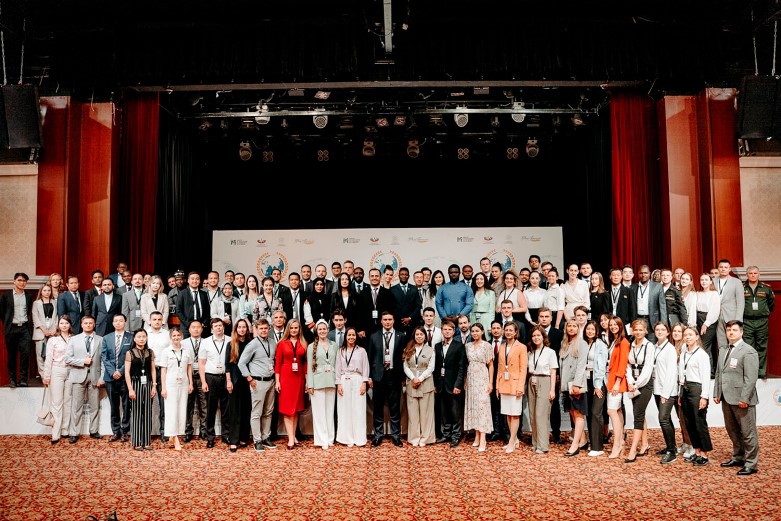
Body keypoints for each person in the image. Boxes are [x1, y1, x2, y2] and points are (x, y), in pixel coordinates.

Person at [714, 320, 760, 476]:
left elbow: (751, 378)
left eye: (734, 330)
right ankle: (739, 457)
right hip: (726, 398)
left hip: (742, 399)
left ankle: (751, 463)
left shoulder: (748, 351)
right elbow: (719, 373)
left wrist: (744, 398)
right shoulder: (723, 350)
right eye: (728, 330)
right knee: (732, 430)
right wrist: (717, 392)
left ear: (741, 332)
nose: (731, 332)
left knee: (748, 432)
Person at [238, 319, 278, 451]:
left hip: (271, 380)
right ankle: (257, 440)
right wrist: (249, 379)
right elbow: (241, 363)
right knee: (257, 412)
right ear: (256, 329)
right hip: (257, 382)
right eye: (261, 328)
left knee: (268, 411)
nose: (264, 331)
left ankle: (266, 437)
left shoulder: (272, 343)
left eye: (265, 328)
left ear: (269, 329)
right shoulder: (252, 344)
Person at [367, 311, 405, 447]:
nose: (387, 322)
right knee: (378, 408)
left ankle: (396, 436)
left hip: (394, 376)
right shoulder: (374, 336)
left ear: (393, 321)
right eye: (385, 320)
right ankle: (378, 435)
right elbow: (370, 358)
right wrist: (369, 377)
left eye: (390, 319)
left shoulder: (401, 336)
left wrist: (403, 377)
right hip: (378, 376)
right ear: (381, 321)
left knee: (395, 408)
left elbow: (404, 358)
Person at [65, 315, 103, 442]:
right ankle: (74, 433)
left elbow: (103, 360)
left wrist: (102, 377)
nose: (88, 325)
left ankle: (94, 430)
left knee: (95, 406)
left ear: (94, 325)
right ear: (81, 325)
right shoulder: (74, 339)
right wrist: (83, 361)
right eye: (86, 323)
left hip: (95, 377)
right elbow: (67, 359)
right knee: (76, 406)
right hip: (78, 375)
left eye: (90, 323)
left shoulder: (100, 339)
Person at [678, 326, 713, 466]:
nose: (687, 337)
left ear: (697, 337)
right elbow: (681, 375)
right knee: (689, 422)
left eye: (690, 335)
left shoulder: (702, 355)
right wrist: (680, 393)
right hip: (685, 388)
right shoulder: (684, 353)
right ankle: (697, 452)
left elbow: (705, 377)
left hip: (697, 389)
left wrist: (704, 396)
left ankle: (704, 455)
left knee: (699, 422)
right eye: (685, 335)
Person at [624, 319, 655, 462]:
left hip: (645, 384)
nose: (638, 332)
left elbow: (648, 368)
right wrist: (630, 382)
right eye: (635, 329)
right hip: (633, 383)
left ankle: (633, 450)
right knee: (640, 414)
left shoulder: (649, 346)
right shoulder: (631, 344)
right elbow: (628, 365)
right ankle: (645, 444)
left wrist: (636, 384)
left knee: (638, 415)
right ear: (632, 331)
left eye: (640, 330)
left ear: (645, 331)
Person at [275, 318, 308, 449]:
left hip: (299, 378)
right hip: (285, 378)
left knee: (296, 409)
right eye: (292, 328)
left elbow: (305, 364)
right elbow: (278, 364)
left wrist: (307, 381)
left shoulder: (303, 343)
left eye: (296, 328)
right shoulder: (282, 343)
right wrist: (277, 381)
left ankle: (293, 435)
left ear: (299, 329)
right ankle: (290, 438)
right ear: (288, 329)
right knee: (287, 409)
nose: (294, 330)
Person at [434, 318, 467, 448]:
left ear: (454, 331)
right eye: (445, 329)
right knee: (444, 412)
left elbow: (461, 368)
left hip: (454, 385)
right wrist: (436, 384)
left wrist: (458, 385)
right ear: (441, 331)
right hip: (441, 385)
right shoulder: (437, 346)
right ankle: (446, 434)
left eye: (449, 329)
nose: (447, 332)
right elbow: (437, 367)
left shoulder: (459, 346)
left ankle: (456, 435)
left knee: (455, 412)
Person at [198, 318, 232, 449]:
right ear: (212, 329)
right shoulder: (205, 342)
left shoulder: (230, 340)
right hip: (210, 377)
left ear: (223, 327)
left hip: (225, 377)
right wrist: (203, 382)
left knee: (226, 408)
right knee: (210, 409)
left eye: (220, 325)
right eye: (216, 326)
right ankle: (210, 437)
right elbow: (202, 363)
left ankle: (226, 435)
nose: (218, 328)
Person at [335, 326, 370, 447]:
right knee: (344, 410)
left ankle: (359, 438)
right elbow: (337, 368)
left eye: (353, 335)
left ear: (356, 337)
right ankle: (346, 438)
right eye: (349, 335)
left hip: (357, 380)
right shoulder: (340, 351)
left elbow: (365, 367)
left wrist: (364, 383)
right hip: (344, 380)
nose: (351, 337)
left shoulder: (362, 351)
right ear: (345, 337)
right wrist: (338, 384)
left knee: (358, 410)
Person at [495, 321, 527, 453]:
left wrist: (520, 387)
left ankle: (512, 441)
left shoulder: (521, 347)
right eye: (506, 330)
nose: (508, 332)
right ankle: (515, 439)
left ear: (515, 332)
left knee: (515, 414)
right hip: (504, 383)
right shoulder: (502, 346)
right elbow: (500, 368)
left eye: (511, 330)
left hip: (515, 384)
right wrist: (497, 386)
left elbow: (523, 369)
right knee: (508, 413)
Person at [559, 318, 589, 457]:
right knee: (572, 412)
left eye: (574, 326)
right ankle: (582, 440)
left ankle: (575, 444)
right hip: (566, 384)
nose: (571, 328)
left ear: (578, 328)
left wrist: (577, 384)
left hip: (576, 384)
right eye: (569, 326)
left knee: (578, 413)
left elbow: (581, 365)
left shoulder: (582, 344)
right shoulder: (564, 343)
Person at [402, 325, 437, 447]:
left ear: (425, 336)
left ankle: (425, 438)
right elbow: (405, 366)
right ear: (414, 336)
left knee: (426, 413)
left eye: (421, 334)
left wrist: (420, 379)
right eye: (417, 334)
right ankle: (414, 438)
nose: (419, 336)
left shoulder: (430, 350)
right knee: (413, 413)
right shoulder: (408, 349)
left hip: (426, 383)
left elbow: (431, 368)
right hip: (412, 383)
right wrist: (413, 378)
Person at [101, 313, 133, 442]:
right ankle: (115, 431)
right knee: (114, 406)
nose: (118, 323)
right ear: (113, 323)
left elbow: (131, 356)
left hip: (125, 377)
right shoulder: (106, 338)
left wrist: (120, 371)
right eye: (116, 321)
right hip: (110, 377)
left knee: (126, 405)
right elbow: (104, 357)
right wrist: (112, 371)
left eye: (121, 320)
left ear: (125, 322)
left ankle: (125, 431)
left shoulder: (130, 337)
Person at [159, 326, 193, 451]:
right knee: (171, 411)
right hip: (171, 384)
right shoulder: (166, 352)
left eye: (178, 335)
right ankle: (175, 437)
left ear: (181, 336)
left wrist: (191, 383)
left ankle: (174, 436)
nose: (176, 338)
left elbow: (189, 368)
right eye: (174, 335)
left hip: (183, 383)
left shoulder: (186, 350)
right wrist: (163, 388)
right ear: (170, 337)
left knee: (181, 410)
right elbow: (163, 371)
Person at [307, 319, 338, 450]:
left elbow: (337, 363)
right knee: (319, 412)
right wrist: (310, 385)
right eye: (320, 329)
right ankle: (321, 439)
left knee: (329, 411)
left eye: (324, 329)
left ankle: (330, 438)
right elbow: (309, 367)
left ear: (328, 330)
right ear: (316, 331)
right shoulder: (311, 346)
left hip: (331, 380)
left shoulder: (334, 345)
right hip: (317, 382)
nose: (322, 331)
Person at [526, 325, 557, 455]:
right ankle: (535, 443)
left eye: (538, 335)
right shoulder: (530, 353)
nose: (536, 338)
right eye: (533, 336)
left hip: (545, 381)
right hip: (531, 380)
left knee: (541, 414)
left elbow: (553, 372)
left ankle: (543, 446)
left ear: (543, 337)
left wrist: (552, 390)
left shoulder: (550, 352)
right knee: (532, 414)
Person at [463, 323, 494, 452]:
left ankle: (483, 439)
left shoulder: (487, 346)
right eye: (473, 331)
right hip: (471, 379)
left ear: (482, 332)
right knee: (474, 407)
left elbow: (491, 365)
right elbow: (466, 364)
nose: (475, 333)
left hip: (482, 378)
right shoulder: (468, 346)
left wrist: (490, 383)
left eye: (477, 331)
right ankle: (476, 436)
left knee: (482, 408)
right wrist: (465, 380)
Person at [43, 316, 74, 444]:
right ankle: (55, 433)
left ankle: (65, 430)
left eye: (66, 323)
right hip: (57, 371)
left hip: (71, 371)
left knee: (68, 401)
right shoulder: (53, 340)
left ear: (70, 325)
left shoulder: (74, 338)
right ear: (58, 325)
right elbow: (48, 358)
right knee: (57, 403)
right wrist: (46, 375)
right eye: (61, 323)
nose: (64, 325)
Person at [651, 322, 679, 464]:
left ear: (668, 333)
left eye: (663, 329)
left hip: (667, 391)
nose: (660, 331)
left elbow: (671, 373)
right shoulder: (655, 347)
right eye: (657, 329)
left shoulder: (670, 349)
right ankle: (671, 446)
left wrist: (665, 393)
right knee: (667, 419)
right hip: (657, 389)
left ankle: (671, 452)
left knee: (663, 419)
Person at [1, 272, 34, 387]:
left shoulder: (29, 296)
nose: (22, 283)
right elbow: (2, 313)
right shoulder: (6, 296)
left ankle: (23, 379)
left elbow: (29, 312)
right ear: (14, 281)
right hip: (11, 329)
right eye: (19, 280)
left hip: (24, 328)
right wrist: (8, 324)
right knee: (12, 355)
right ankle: (12, 380)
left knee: (25, 354)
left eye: (24, 281)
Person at [125, 328, 156, 450]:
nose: (142, 339)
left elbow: (153, 369)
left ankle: (146, 441)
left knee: (147, 412)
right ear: (134, 339)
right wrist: (130, 389)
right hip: (135, 384)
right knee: (136, 413)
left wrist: (154, 385)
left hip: (148, 384)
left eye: (144, 336)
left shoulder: (150, 352)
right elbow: (127, 373)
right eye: (139, 337)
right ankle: (137, 441)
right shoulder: (130, 353)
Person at [742, 266, 775, 379]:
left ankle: (761, 371)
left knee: (762, 346)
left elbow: (771, 304)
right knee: (748, 347)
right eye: (750, 273)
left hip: (762, 321)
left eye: (755, 273)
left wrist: (763, 312)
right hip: (746, 321)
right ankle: (750, 371)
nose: (753, 275)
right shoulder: (742, 287)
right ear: (747, 274)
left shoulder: (766, 288)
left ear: (759, 274)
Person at [225, 318, 252, 451]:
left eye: (244, 327)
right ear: (236, 329)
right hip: (235, 380)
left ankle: (243, 437)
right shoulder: (231, 344)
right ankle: (234, 440)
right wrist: (229, 381)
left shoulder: (251, 343)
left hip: (248, 380)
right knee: (235, 411)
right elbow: (227, 365)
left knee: (246, 410)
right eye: (239, 327)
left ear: (247, 329)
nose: (242, 329)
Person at [606, 316, 630, 459]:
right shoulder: (613, 341)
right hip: (611, 380)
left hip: (617, 382)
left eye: (616, 324)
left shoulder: (624, 342)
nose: (613, 327)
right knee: (618, 411)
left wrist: (617, 382)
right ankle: (620, 441)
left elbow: (623, 363)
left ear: (621, 326)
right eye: (611, 325)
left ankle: (617, 445)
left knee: (611, 411)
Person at [583, 320, 608, 456]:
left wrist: (598, 385)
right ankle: (592, 443)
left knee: (596, 413)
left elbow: (602, 366)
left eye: (592, 329)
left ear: (597, 331)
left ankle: (598, 447)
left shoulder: (600, 345)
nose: (590, 331)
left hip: (598, 380)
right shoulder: (583, 343)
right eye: (588, 329)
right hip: (585, 380)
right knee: (588, 412)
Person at [714, 259, 745, 364]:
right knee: (721, 344)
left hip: (732, 317)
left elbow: (740, 302)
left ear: (729, 269)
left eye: (725, 267)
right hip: (717, 316)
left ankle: (735, 366)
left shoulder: (736, 282)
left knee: (735, 342)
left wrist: (738, 320)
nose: (723, 269)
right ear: (718, 268)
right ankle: (722, 365)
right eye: (721, 267)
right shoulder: (713, 281)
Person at [145, 311, 169, 441]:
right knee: (147, 402)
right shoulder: (144, 334)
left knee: (164, 403)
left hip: (163, 370)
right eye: (154, 319)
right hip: (147, 372)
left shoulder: (167, 334)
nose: (157, 321)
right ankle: (146, 432)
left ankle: (164, 431)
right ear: (149, 321)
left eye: (159, 319)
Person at [671, 322, 693, 459]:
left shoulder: (685, 347)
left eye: (679, 331)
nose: (676, 333)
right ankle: (685, 442)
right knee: (681, 418)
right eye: (674, 331)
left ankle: (691, 445)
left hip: (684, 386)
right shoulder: (673, 346)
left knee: (686, 418)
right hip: (674, 386)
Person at [182, 320, 207, 442]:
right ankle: (188, 431)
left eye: (198, 327)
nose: (196, 329)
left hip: (203, 376)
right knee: (189, 405)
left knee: (204, 405)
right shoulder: (183, 343)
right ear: (189, 329)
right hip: (188, 377)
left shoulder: (207, 342)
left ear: (202, 329)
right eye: (193, 327)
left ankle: (204, 431)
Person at [631, 265, 667, 342]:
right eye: (641, 273)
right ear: (638, 274)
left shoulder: (658, 286)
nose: (643, 275)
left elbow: (662, 306)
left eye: (645, 273)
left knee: (652, 344)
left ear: (650, 273)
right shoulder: (633, 287)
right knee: (638, 343)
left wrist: (663, 324)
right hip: (637, 320)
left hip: (652, 321)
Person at [696, 273, 721, 377]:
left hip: (708, 320)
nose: (704, 282)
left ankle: (709, 371)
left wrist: (706, 323)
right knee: (699, 345)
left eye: (706, 280)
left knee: (704, 346)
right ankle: (704, 371)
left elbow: (714, 311)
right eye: (702, 280)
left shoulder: (714, 294)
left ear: (711, 281)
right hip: (698, 319)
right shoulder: (698, 293)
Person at [33, 282, 59, 379]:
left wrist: (54, 328)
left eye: (49, 290)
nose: (47, 292)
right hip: (40, 332)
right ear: (41, 292)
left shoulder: (54, 302)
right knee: (40, 355)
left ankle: (51, 375)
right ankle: (43, 375)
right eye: (45, 290)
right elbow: (35, 318)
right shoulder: (36, 303)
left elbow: (57, 316)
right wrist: (44, 330)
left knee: (52, 354)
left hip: (53, 332)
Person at [390, 267, 422, 338]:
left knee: (411, 342)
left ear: (408, 276)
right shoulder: (392, 289)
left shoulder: (414, 288)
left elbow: (418, 306)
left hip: (412, 322)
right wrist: (402, 319)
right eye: (402, 274)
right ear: (399, 276)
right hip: (398, 323)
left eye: (406, 274)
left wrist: (410, 318)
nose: (404, 276)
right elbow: (392, 307)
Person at [176, 272, 210, 338]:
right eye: (192, 279)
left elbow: (207, 310)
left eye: (197, 279)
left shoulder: (204, 294)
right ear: (188, 280)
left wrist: (204, 323)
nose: (195, 281)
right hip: (186, 327)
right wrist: (188, 324)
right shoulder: (182, 293)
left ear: (200, 281)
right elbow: (178, 310)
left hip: (201, 327)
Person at [469, 272, 496, 339]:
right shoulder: (471, 292)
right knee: (474, 339)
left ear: (485, 280)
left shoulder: (491, 293)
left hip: (486, 319)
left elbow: (492, 311)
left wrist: (490, 326)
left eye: (481, 279)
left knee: (486, 339)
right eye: (477, 279)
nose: (479, 281)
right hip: (473, 319)